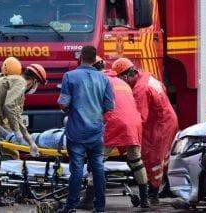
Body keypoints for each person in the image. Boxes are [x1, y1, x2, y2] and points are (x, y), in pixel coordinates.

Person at [112, 58, 178, 204]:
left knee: (153, 158)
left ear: (126, 75)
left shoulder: (140, 90)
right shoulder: (148, 76)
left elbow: (140, 118)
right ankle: (167, 187)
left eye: (122, 79)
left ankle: (153, 194)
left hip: (160, 124)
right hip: (167, 119)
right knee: (164, 157)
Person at [57, 46, 114, 213]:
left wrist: (71, 110)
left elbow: (63, 103)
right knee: (98, 169)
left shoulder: (70, 76)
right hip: (96, 132)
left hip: (76, 132)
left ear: (81, 57)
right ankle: (100, 207)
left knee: (76, 169)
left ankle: (70, 207)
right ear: (95, 59)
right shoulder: (104, 79)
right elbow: (109, 105)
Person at [0, 58, 47, 206]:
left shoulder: (14, 83)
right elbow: (9, 106)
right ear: (33, 80)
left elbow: (16, 116)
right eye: (37, 84)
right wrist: (17, 133)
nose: (34, 88)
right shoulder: (20, 83)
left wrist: (30, 142)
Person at [93, 56, 149, 208]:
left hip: (115, 122)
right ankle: (145, 199)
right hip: (135, 123)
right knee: (136, 160)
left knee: (97, 159)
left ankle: (89, 196)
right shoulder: (123, 84)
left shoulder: (100, 82)